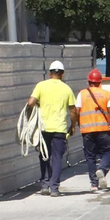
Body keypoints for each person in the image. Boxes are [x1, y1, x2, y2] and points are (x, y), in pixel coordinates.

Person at [26, 59, 75, 195]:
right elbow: (73, 110)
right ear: (62, 74)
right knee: (57, 158)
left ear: (50, 73)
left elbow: (30, 103)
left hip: (44, 129)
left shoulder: (41, 86)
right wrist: (73, 126)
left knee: (44, 156)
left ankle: (44, 185)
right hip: (59, 129)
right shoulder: (67, 89)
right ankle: (54, 188)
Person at [76, 67, 110, 191]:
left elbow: (76, 111)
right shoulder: (106, 94)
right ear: (100, 82)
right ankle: (102, 169)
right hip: (103, 129)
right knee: (107, 152)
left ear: (89, 82)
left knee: (90, 157)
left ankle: (94, 184)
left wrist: (77, 124)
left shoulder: (82, 94)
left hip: (87, 131)